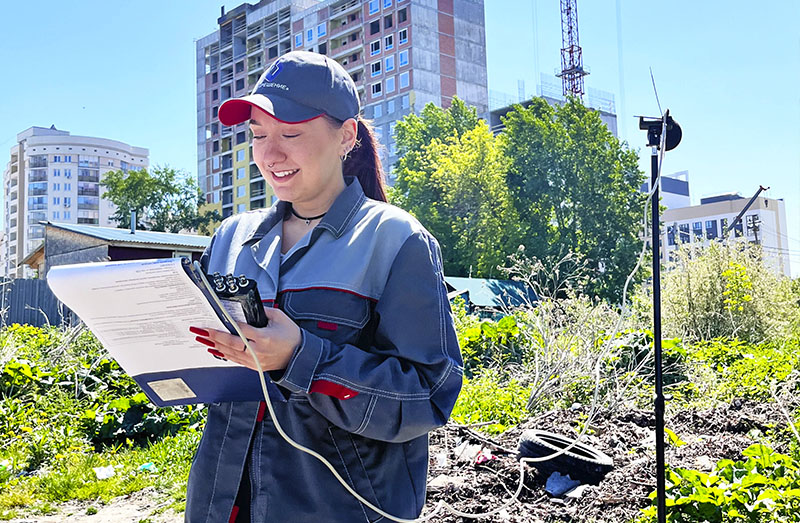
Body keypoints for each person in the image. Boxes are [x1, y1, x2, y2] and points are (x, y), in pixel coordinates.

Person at [185, 51, 463, 523]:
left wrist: (299, 358)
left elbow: (427, 396)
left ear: (346, 136)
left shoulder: (394, 240)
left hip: (342, 507)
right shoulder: (231, 237)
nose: (270, 155)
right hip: (224, 501)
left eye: (291, 134)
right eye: (257, 136)